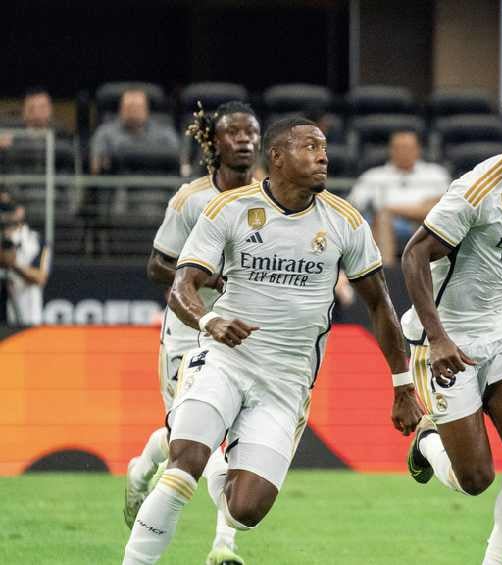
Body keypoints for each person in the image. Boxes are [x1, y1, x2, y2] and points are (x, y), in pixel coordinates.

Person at [121, 117, 423, 564]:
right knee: (185, 464)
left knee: (246, 509)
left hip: (286, 382)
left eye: (324, 148)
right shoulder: (228, 208)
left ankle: (185, 473)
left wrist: (402, 385)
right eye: (310, 147)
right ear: (277, 158)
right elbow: (182, 285)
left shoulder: (345, 221)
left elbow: (380, 305)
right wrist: (209, 322)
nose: (323, 157)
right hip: (223, 360)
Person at [400, 82, 502, 565]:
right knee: (474, 479)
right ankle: (427, 442)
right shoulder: (475, 190)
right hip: (447, 338)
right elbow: (414, 255)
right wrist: (438, 338)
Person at [122, 101, 262, 564]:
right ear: (214, 142)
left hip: (241, 332)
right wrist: (209, 279)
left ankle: (222, 545)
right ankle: (143, 470)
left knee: (227, 435)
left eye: (252, 132)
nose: (244, 140)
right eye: (234, 132)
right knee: (195, 435)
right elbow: (156, 265)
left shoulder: (269, 199)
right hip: (189, 331)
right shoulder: (191, 199)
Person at [348, 129, 450, 266]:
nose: (404, 152)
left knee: (435, 205)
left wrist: (393, 209)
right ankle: (387, 272)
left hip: (428, 220)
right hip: (388, 223)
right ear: (391, 150)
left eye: (408, 148)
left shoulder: (435, 173)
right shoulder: (373, 176)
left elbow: (448, 204)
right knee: (383, 216)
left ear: (418, 150)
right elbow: (352, 205)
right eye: (399, 148)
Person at [90, 89, 180, 174]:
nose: (133, 111)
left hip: (158, 181)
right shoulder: (104, 133)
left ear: (146, 110)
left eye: (137, 107)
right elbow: (96, 167)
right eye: (129, 107)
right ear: (121, 109)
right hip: (117, 182)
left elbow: (179, 164)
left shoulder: (165, 134)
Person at [0, 198, 50, 325]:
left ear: (19, 212)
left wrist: (14, 264)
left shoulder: (34, 240)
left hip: (27, 305)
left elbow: (40, 278)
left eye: (9, 211)